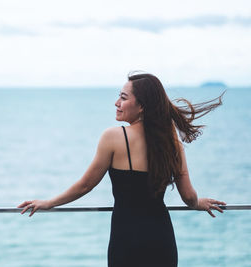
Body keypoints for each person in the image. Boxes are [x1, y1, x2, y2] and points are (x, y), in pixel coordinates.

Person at [18, 72, 226, 266]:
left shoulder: (113, 137)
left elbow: (85, 185)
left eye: (124, 98)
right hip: (162, 240)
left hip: (125, 240)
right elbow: (189, 197)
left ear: (142, 105)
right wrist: (199, 203)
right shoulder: (171, 144)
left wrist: (49, 203)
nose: (117, 103)